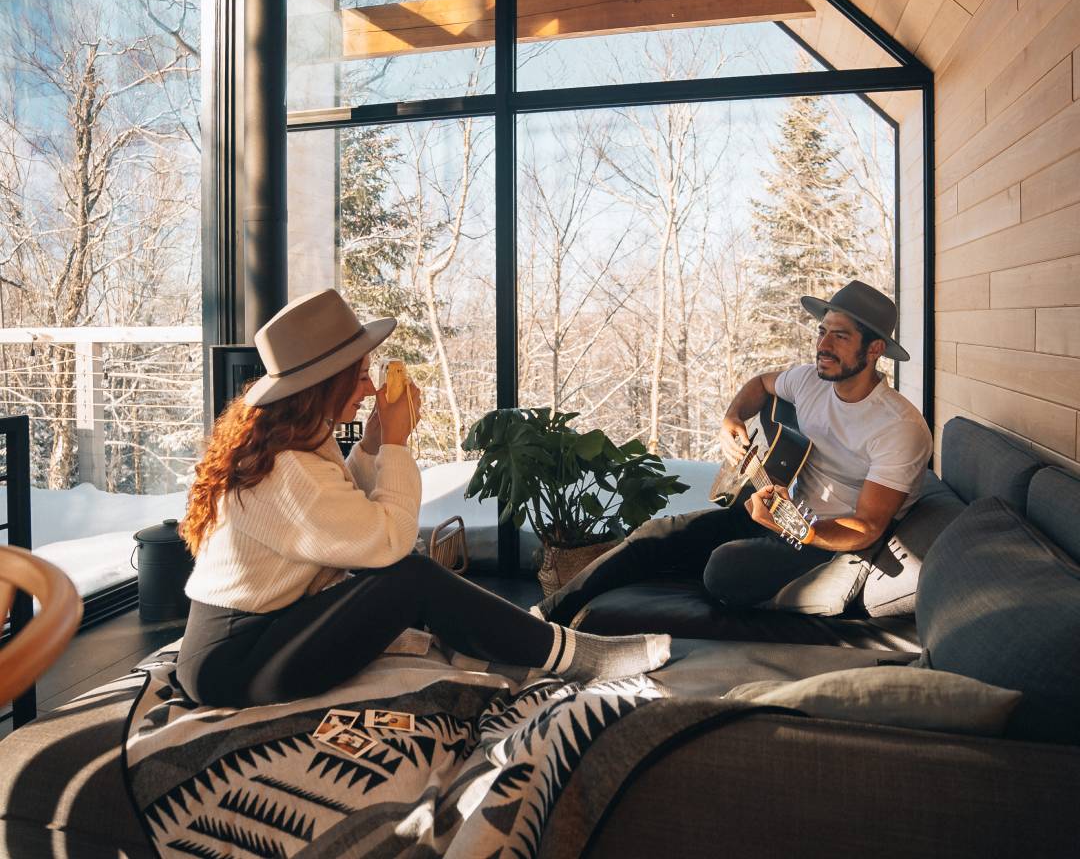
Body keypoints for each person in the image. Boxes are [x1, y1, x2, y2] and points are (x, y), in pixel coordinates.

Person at [176, 288, 669, 707]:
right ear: (325, 384)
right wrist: (395, 443)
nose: (369, 388)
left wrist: (370, 444)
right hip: (235, 662)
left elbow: (335, 512)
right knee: (407, 576)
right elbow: (386, 541)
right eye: (360, 375)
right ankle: (579, 657)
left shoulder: (292, 445)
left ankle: (519, 639)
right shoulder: (289, 467)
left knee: (404, 578)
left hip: (254, 636)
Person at [536, 280, 933, 626]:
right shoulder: (810, 381)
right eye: (822, 331)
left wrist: (800, 529)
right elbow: (760, 383)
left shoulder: (898, 427)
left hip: (818, 543)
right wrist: (732, 418)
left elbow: (867, 526)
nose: (823, 345)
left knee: (725, 568)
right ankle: (543, 617)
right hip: (775, 512)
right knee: (653, 535)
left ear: (875, 348)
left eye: (840, 336)